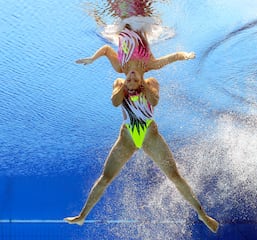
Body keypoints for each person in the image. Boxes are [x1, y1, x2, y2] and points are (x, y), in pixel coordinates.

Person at [64, 23, 219, 233]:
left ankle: (201, 214)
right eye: (130, 78)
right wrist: (121, 83)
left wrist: (143, 80)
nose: (131, 76)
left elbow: (154, 100)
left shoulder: (151, 80)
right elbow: (115, 102)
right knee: (106, 178)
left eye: (133, 78)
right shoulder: (120, 80)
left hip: (150, 138)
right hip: (127, 139)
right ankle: (82, 216)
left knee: (174, 176)